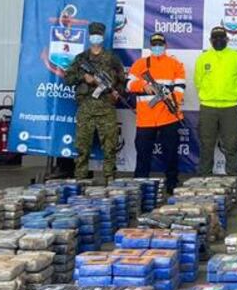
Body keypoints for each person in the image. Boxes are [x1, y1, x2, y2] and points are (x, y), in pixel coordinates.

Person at [64, 22, 125, 182]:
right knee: (82, 146)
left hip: (106, 108)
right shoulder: (81, 59)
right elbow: (68, 79)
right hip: (86, 108)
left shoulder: (112, 59)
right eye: (93, 34)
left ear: (102, 37)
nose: (96, 37)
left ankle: (109, 177)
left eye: (98, 34)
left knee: (110, 146)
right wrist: (84, 77)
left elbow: (122, 80)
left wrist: (117, 92)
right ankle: (80, 178)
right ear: (90, 37)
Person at [126, 32, 186, 194]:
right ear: (150, 46)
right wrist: (143, 86)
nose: (157, 47)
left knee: (171, 153)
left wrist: (173, 98)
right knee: (143, 154)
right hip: (146, 119)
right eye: (154, 44)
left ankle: (172, 184)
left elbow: (181, 86)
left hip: (168, 116)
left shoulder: (175, 64)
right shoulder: (140, 64)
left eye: (160, 44)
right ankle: (140, 185)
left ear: (165, 46)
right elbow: (128, 84)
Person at [193, 25, 237, 176]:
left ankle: (233, 180)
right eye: (215, 38)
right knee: (206, 144)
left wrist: (236, 95)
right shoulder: (203, 58)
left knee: (231, 145)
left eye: (221, 38)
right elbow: (198, 81)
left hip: (230, 107)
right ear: (210, 40)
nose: (218, 40)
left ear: (227, 39)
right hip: (208, 107)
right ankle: (204, 178)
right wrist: (208, 95)